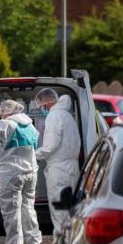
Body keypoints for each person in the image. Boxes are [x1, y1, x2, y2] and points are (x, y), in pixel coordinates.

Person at [0, 99, 44, 244]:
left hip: (12, 173)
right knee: (28, 209)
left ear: (5, 112)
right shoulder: (29, 124)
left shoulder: (6, 124)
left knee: (11, 211)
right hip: (30, 172)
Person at [34, 88, 80, 235]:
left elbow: (50, 146)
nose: (43, 110)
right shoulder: (67, 116)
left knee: (59, 211)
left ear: (47, 103)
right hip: (72, 167)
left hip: (59, 170)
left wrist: (33, 155)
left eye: (42, 107)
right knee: (70, 209)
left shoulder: (54, 116)